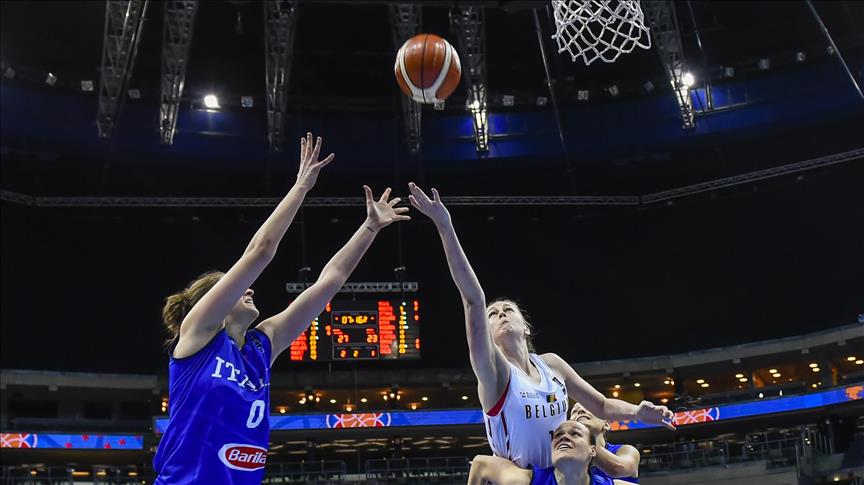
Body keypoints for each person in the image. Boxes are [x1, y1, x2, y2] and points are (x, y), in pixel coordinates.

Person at [153, 133, 410, 485]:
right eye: (238, 285)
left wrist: (369, 228)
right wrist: (301, 186)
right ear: (214, 300)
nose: (251, 287)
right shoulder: (197, 335)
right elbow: (260, 251)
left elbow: (328, 282)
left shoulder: (263, 345)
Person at [408, 182, 675, 469]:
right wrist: (445, 226)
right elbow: (473, 300)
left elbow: (601, 406)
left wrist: (638, 412)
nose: (502, 313)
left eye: (508, 309)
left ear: (526, 327)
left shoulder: (553, 365)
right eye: (494, 314)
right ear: (487, 334)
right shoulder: (494, 371)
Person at [468, 419, 629, 485]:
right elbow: (480, 464)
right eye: (558, 435)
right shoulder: (528, 480)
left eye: (575, 433)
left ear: (593, 450)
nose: (564, 437)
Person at [571, 403, 640, 483]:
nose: (580, 411)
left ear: (607, 424)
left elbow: (617, 469)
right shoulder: (565, 460)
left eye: (589, 408)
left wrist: (583, 442)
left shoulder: (627, 450)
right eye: (574, 411)